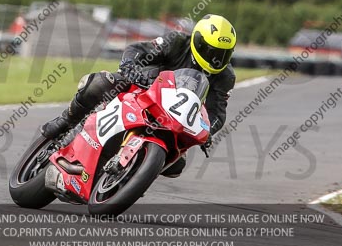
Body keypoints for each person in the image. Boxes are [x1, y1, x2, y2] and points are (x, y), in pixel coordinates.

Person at [40, 14, 237, 177]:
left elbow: (217, 113)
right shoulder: (177, 42)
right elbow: (138, 49)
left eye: (223, 54)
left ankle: (130, 176)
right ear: (198, 41)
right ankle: (65, 121)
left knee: (177, 166)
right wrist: (129, 66)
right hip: (141, 88)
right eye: (211, 51)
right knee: (100, 82)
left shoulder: (225, 77)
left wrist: (208, 132)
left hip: (174, 121)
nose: (216, 59)